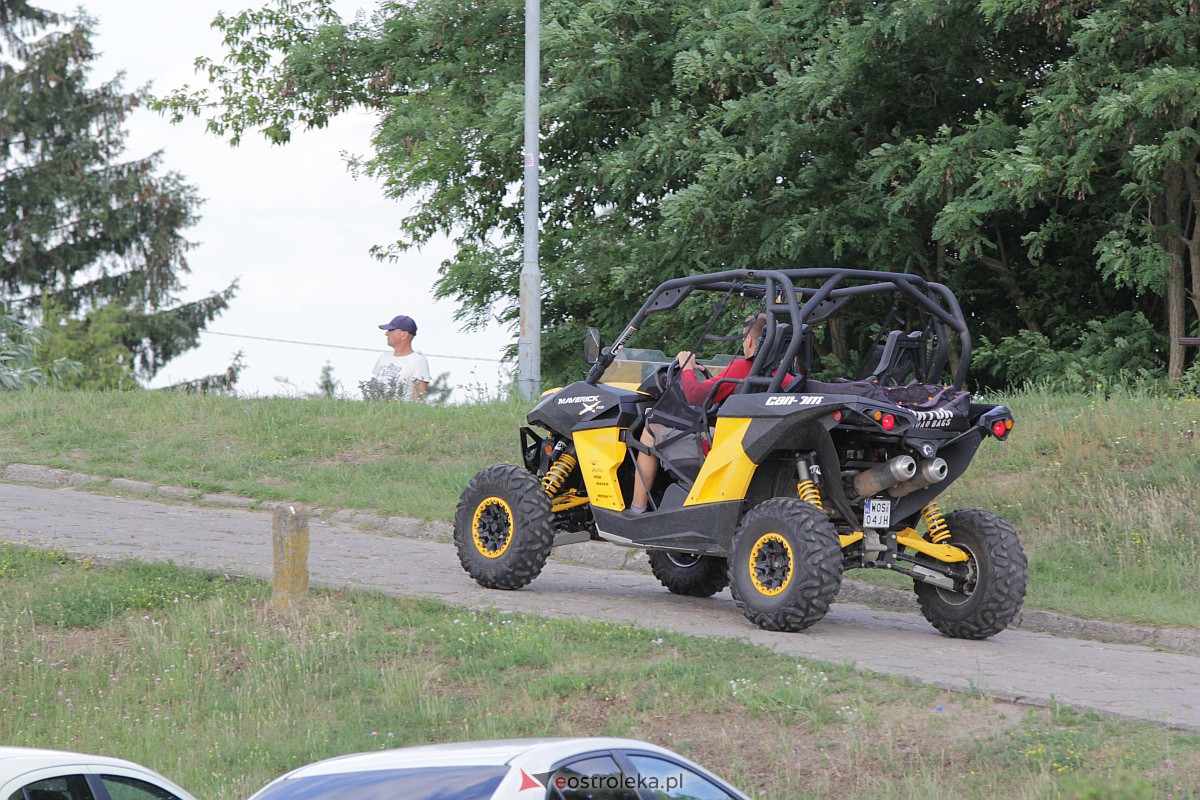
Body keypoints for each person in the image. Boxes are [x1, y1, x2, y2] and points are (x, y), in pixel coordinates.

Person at [628, 314, 772, 514]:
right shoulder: (780, 374)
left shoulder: (742, 368)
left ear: (748, 340)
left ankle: (637, 510)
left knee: (651, 429)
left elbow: (694, 397)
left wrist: (686, 368)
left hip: (720, 450)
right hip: (753, 444)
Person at [372, 314, 431, 402]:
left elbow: (419, 399)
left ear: (404, 334)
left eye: (391, 330)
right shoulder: (383, 357)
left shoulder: (418, 361)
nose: (386, 333)